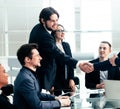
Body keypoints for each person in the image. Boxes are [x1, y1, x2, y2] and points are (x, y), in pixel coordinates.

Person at [29, 6, 93, 91]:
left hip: (37, 73)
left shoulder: (37, 28)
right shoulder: (45, 36)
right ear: (43, 20)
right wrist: (78, 64)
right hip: (42, 75)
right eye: (52, 21)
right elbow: (58, 54)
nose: (55, 23)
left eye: (56, 20)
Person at [13, 43, 71, 109]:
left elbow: (37, 94)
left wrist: (56, 98)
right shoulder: (26, 79)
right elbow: (37, 106)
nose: (41, 58)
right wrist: (60, 103)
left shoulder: (29, 74)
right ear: (27, 60)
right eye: (37, 56)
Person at [51, 24, 76, 96]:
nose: (62, 32)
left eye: (63, 30)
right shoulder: (51, 46)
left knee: (71, 101)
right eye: (59, 30)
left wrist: (71, 79)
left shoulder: (66, 45)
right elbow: (50, 66)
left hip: (67, 79)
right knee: (57, 102)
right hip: (56, 80)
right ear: (54, 33)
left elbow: (70, 62)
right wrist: (50, 83)